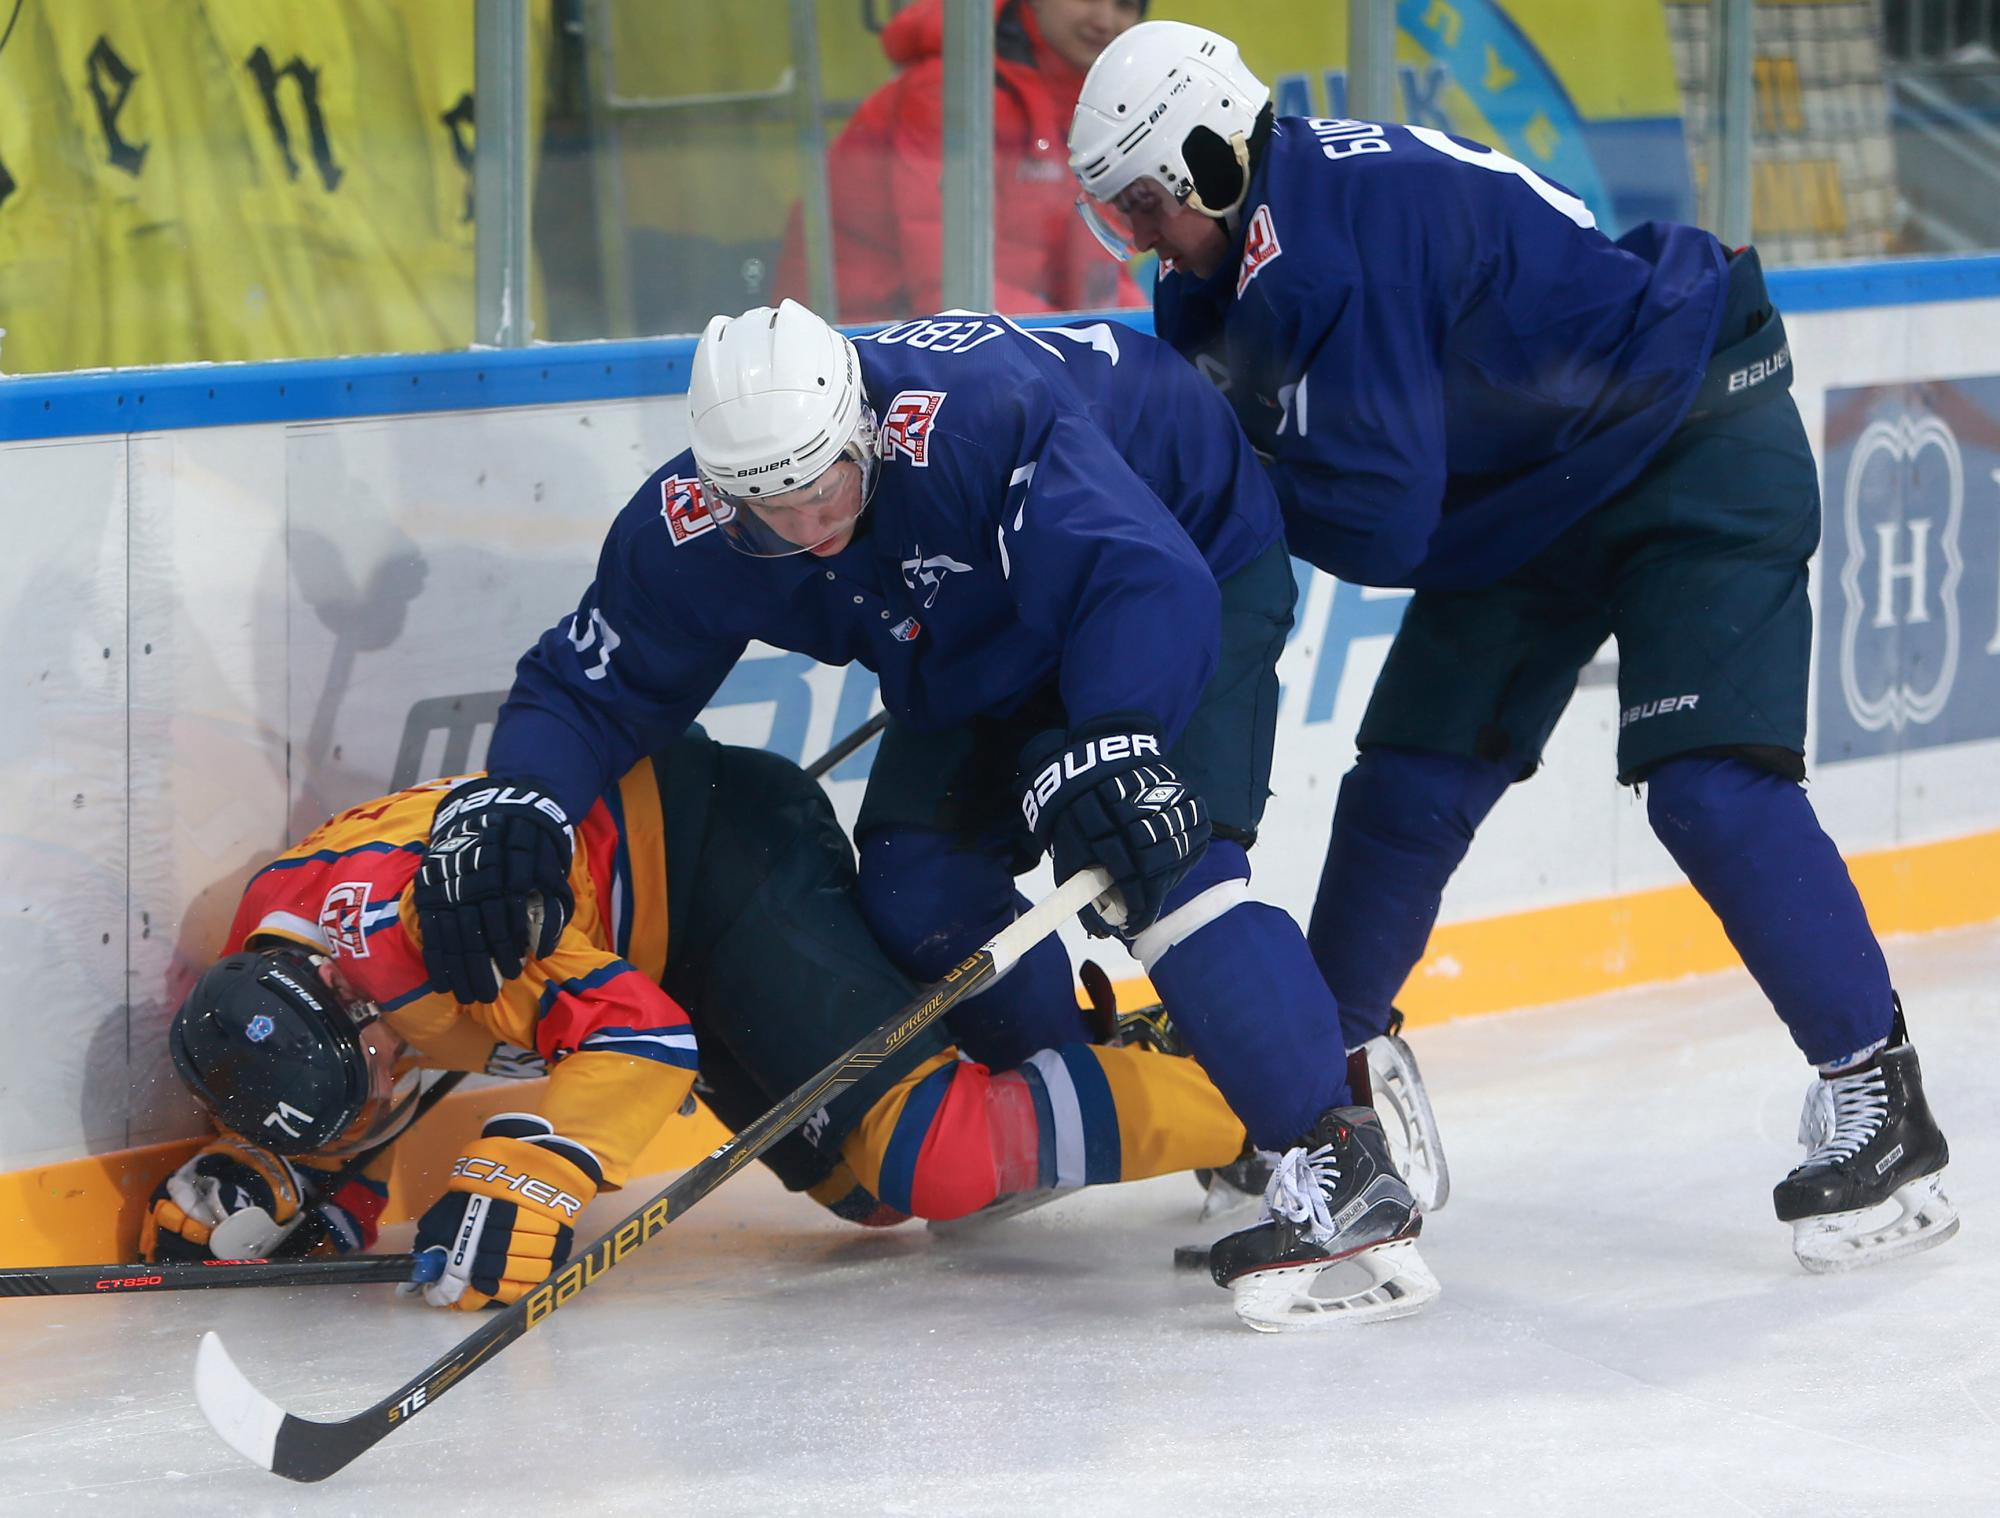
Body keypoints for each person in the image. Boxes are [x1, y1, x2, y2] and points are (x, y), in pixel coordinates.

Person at [1065, 20, 1957, 1274]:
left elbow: (1379, 521)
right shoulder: (1219, 263)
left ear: (1215, 160)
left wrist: (1226, 483)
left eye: (1148, 205)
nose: (1139, 237)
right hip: (1531, 489)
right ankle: (1325, 1112)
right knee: (1404, 785)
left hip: (1686, 430)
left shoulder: (1339, 242)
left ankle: (1878, 1090)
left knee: (1704, 787)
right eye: (1120, 214)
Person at [407, 297, 1440, 1329]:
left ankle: (1335, 1160)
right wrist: (517, 802)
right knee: (915, 887)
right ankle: (1126, 1070)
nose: (812, 531)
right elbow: (588, 688)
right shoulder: (690, 524)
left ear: (864, 428)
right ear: (721, 492)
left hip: (1180, 559)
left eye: (828, 489)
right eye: (774, 512)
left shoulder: (976, 419)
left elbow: (1136, 574)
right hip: (979, 630)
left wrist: (1120, 733)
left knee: (1156, 859)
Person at [142, 728, 1254, 1306]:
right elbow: (354, 1064)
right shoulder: (263, 932)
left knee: (928, 1154)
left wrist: (536, 1171)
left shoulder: (440, 948)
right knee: (861, 1200)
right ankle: (1122, 1065)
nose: (380, 1084)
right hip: (646, 910)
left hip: (724, 858)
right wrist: (294, 1177)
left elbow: (635, 1037)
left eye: (372, 1068)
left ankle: (1280, 1106)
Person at [772, 0, 1144, 322]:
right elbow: (947, 290)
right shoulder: (949, 89)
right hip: (852, 344)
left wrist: (1151, 334)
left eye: (1125, 4)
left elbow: (1097, 279)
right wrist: (1079, 341)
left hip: (979, 331)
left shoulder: (1089, 105)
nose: (1104, 19)